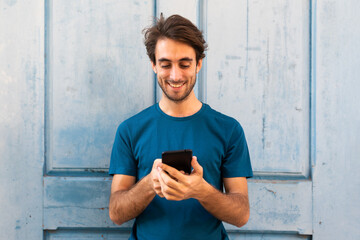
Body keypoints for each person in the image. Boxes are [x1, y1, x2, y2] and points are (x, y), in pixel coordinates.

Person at [108, 14, 253, 240]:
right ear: (154, 65)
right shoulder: (129, 130)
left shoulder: (229, 130)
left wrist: (201, 190)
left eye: (185, 64)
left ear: (199, 64)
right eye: (165, 64)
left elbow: (241, 214)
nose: (175, 76)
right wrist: (150, 183)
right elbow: (116, 213)